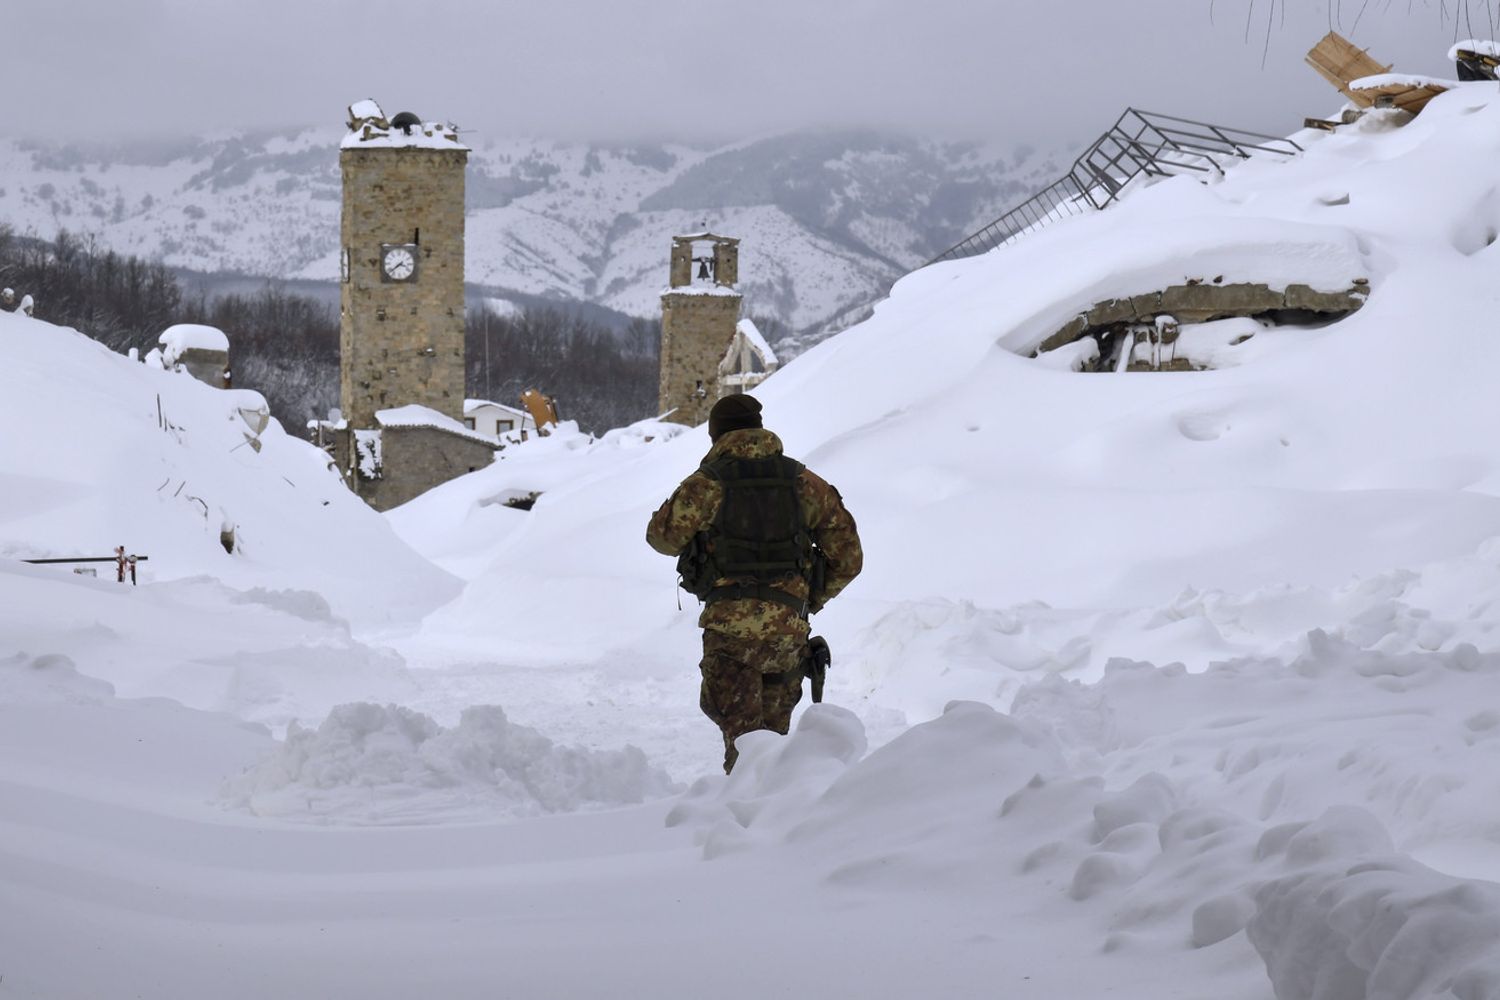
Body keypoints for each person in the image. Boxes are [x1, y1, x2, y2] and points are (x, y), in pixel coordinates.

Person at [646, 394, 862, 773]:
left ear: (716, 434)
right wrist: (807, 601)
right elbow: (848, 558)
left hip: (730, 636)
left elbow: (662, 538)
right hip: (787, 634)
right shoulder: (803, 481)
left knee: (745, 749)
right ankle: (779, 816)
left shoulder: (707, 484)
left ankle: (740, 820)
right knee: (774, 747)